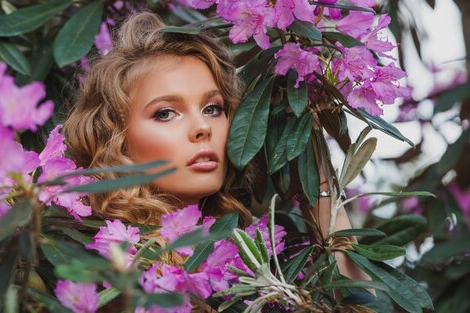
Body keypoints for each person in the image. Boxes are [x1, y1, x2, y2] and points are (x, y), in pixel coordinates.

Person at [63, 10, 369, 306]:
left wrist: (313, 170)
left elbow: (358, 303)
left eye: (213, 108)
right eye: (166, 113)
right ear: (115, 139)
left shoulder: (257, 255)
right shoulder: (98, 269)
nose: (202, 128)